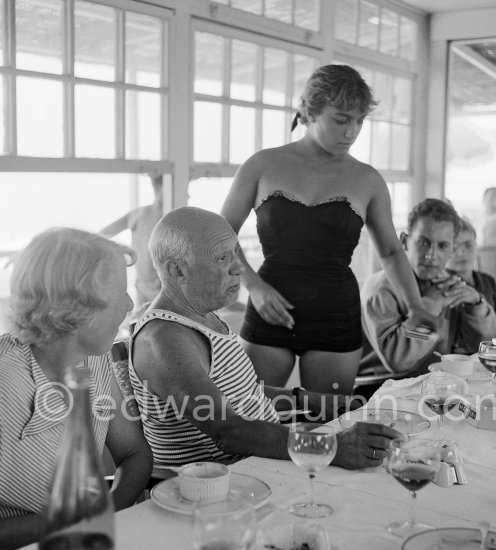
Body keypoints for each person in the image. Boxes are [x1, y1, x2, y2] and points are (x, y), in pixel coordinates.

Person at [129, 206, 400, 471]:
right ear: (177, 270)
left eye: (235, 252)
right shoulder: (163, 338)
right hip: (214, 488)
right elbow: (230, 432)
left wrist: (305, 399)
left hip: (255, 467)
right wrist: (335, 446)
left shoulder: (200, 315)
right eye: (221, 258)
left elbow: (241, 393)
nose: (239, 267)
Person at [220, 64, 435, 394]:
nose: (352, 132)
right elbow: (221, 232)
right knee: (253, 415)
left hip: (336, 315)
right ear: (310, 111)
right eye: (341, 119)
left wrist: (416, 306)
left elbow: (391, 252)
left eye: (359, 121)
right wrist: (253, 286)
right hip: (270, 307)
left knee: (327, 424)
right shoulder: (262, 165)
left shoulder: (368, 180)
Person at [0, 228, 153, 549]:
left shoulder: (92, 361)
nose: (129, 304)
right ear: (75, 309)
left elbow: (134, 452)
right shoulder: (5, 381)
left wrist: (109, 509)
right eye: (119, 293)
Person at [361, 198, 496, 376]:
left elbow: (475, 348)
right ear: (404, 241)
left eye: (443, 246)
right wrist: (430, 308)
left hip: (433, 385)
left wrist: (476, 305)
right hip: (380, 389)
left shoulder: (446, 284)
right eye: (423, 242)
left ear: (452, 249)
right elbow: (398, 361)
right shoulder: (381, 290)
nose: (431, 255)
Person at [100, 173, 163, 307]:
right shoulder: (138, 213)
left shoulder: (171, 215)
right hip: (141, 284)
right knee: (139, 323)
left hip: (160, 286)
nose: (187, 195)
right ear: (158, 186)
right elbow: (104, 234)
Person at [446, 217, 496, 336]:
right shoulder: (443, 284)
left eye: (468, 245)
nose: (461, 253)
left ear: (477, 246)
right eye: (453, 248)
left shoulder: (488, 280)